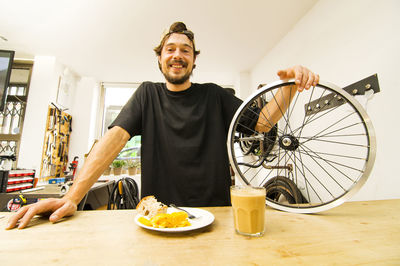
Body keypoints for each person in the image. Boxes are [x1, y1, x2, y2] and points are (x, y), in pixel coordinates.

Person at [6, 22, 319, 229]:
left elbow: (263, 124)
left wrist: (290, 85)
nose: (177, 55)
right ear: (160, 58)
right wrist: (72, 197)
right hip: (160, 219)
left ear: (194, 60)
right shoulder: (147, 94)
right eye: (170, 49)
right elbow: (113, 139)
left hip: (219, 217)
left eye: (185, 50)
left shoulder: (215, 95)